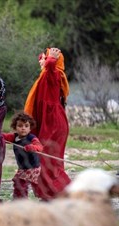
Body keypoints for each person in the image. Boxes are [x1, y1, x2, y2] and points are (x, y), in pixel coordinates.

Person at [24, 47, 71, 200]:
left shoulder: (55, 75)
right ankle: (50, 194)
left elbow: (51, 68)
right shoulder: (45, 77)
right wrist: (47, 60)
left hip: (53, 125)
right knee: (43, 160)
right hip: (49, 123)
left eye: (45, 58)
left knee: (46, 162)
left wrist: (51, 59)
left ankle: (61, 192)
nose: (42, 61)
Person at [2, 112, 44, 199]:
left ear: (30, 128)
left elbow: (39, 147)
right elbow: (3, 137)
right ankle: (20, 199)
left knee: (21, 183)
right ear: (15, 127)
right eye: (20, 126)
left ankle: (22, 199)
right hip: (23, 168)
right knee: (22, 183)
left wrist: (32, 147)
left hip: (32, 167)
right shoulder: (14, 137)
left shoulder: (31, 138)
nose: (23, 128)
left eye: (26, 126)